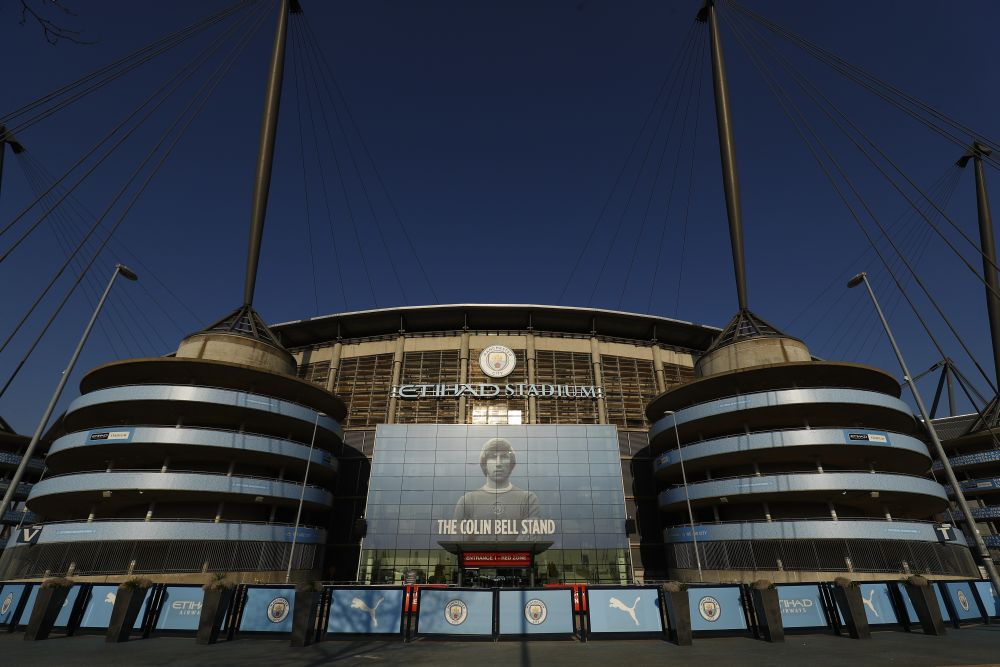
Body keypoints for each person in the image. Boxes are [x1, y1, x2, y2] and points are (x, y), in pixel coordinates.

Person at [451, 437, 540, 539]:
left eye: (504, 457)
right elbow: (457, 540)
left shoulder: (528, 499)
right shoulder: (467, 500)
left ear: (511, 463)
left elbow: (530, 539)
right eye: (493, 457)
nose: (498, 463)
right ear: (484, 463)